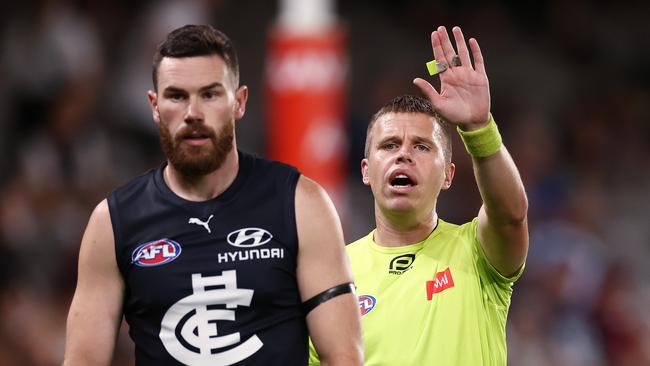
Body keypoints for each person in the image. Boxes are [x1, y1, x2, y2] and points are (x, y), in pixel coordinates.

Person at [63, 24, 363, 366]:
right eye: (177, 96)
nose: (193, 113)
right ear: (154, 106)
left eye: (210, 94)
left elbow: (343, 357)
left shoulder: (300, 204)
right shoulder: (113, 223)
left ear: (239, 102)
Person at [310, 25, 529, 365]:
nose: (403, 154)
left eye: (422, 146)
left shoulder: (478, 251)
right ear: (366, 170)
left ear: (448, 175)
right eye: (390, 145)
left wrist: (478, 128)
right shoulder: (335, 276)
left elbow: (510, 214)